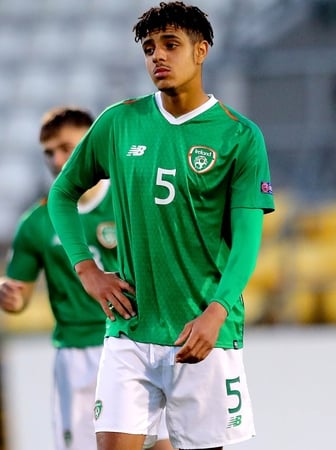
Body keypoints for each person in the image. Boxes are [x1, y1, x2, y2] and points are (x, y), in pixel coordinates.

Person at [47, 2, 274, 449]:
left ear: (201, 50)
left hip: (202, 334)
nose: (158, 57)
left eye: (171, 45)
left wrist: (218, 310)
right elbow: (62, 193)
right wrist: (86, 269)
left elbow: (248, 240)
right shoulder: (119, 122)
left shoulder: (239, 135)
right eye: (150, 48)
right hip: (130, 331)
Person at [0, 107, 174, 450]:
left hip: (136, 343)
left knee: (163, 444)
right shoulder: (36, 222)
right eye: (49, 152)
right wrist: (8, 294)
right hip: (77, 354)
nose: (56, 159)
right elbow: (19, 297)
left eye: (66, 147)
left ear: (91, 142)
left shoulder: (131, 199)